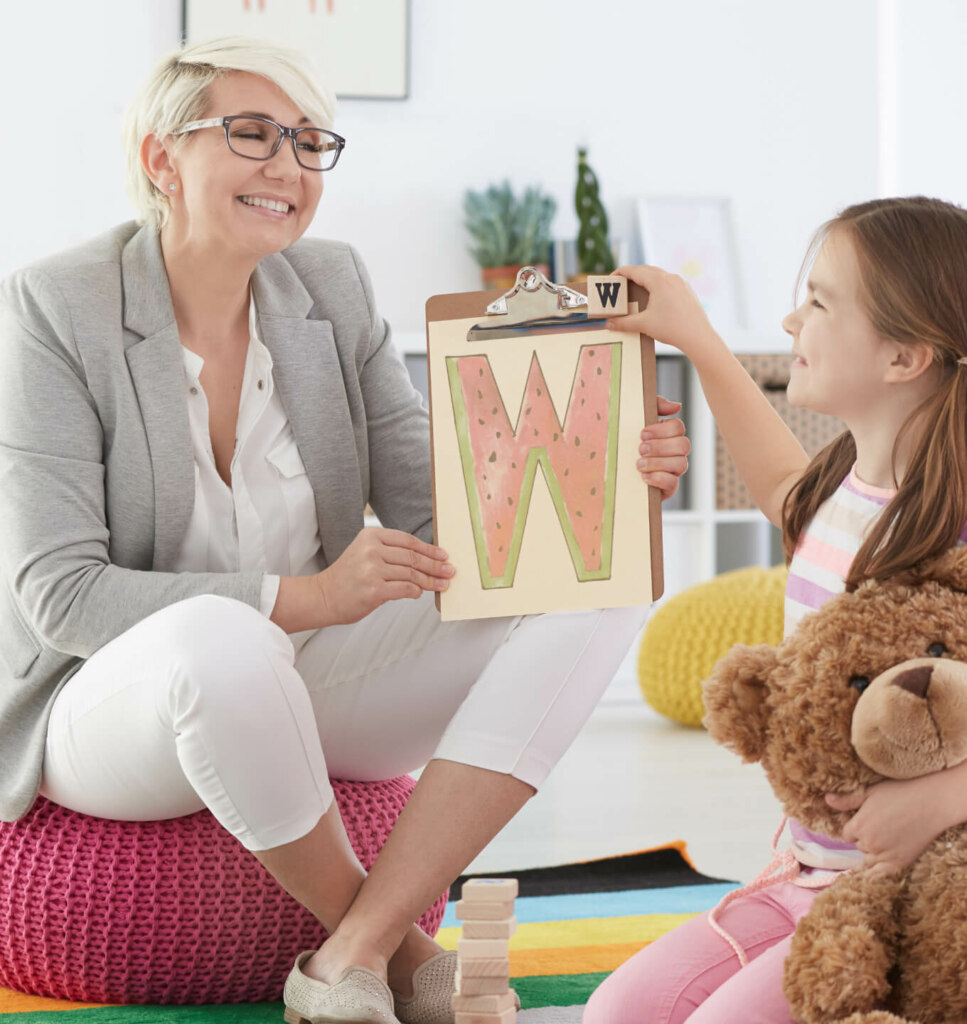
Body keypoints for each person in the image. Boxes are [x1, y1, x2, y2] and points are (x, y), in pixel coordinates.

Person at [0, 36, 691, 1024]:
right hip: (104, 707)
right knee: (229, 634)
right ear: (161, 159)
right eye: (251, 134)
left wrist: (601, 486)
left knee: (600, 582)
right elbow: (61, 595)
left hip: (291, 679)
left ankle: (351, 953)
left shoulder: (331, 286)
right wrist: (309, 597)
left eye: (308, 141)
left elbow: (435, 516)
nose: (287, 165)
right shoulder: (53, 306)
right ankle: (409, 948)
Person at [583, 195, 967, 1024]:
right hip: (806, 874)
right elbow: (777, 485)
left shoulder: (953, 523)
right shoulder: (841, 487)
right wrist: (693, 335)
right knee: (617, 1013)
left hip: (911, 904)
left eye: (820, 301)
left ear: (904, 355)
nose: (793, 318)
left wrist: (945, 798)